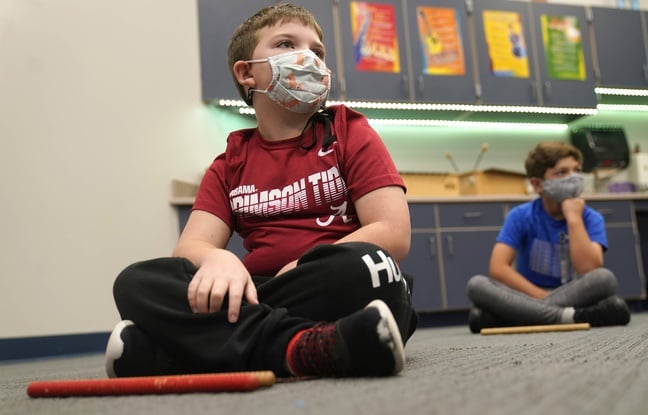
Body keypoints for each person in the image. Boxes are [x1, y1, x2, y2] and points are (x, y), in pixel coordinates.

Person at [104, 3, 418, 378]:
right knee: (136, 282)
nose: (308, 57)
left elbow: (392, 233)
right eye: (286, 43)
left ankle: (189, 352)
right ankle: (304, 347)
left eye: (317, 51)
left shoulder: (350, 132)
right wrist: (223, 261)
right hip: (257, 288)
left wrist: (300, 266)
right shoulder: (229, 163)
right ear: (246, 74)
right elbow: (190, 248)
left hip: (330, 279)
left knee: (366, 269)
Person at [466, 141, 630, 333]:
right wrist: (540, 297)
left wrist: (574, 218)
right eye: (562, 173)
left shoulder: (591, 217)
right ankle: (568, 317)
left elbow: (589, 269)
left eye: (576, 170)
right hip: (527, 294)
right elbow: (498, 268)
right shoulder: (520, 215)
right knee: (476, 285)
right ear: (537, 184)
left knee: (605, 279)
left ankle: (519, 317)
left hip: (575, 295)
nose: (573, 178)